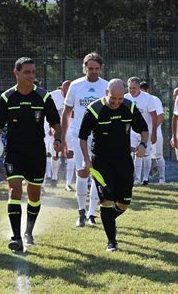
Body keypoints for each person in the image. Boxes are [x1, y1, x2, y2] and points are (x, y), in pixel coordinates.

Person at [0, 57, 61, 252]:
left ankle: (29, 231)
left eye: (33, 72)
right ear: (16, 73)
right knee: (14, 191)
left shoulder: (44, 97)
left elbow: (56, 124)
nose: (31, 76)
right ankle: (16, 237)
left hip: (37, 152)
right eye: (27, 72)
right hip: (14, 151)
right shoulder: (7, 98)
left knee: (34, 194)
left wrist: (58, 139)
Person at [79, 79, 148, 251]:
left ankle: (108, 220)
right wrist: (87, 160)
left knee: (124, 202)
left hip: (124, 161)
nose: (116, 103)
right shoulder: (94, 110)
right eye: (112, 99)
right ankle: (112, 241)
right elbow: (82, 137)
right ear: (106, 94)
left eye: (119, 99)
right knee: (107, 200)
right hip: (101, 162)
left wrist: (143, 145)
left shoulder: (129, 107)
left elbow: (144, 130)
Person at [61, 52, 108, 227]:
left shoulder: (107, 86)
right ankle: (81, 212)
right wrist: (63, 138)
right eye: (90, 68)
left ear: (100, 68)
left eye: (96, 68)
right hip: (79, 135)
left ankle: (92, 213)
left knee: (97, 174)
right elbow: (66, 114)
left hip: (101, 137)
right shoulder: (75, 85)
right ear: (84, 67)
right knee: (82, 172)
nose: (94, 71)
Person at [125, 77, 157, 186]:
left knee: (146, 154)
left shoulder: (148, 98)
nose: (132, 90)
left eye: (134, 88)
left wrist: (154, 133)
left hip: (146, 131)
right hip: (132, 131)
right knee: (134, 153)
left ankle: (145, 178)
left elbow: (154, 116)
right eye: (130, 88)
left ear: (139, 87)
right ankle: (136, 178)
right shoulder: (125, 97)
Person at [140, 81, 166, 183]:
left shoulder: (155, 100)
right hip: (143, 134)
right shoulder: (138, 99)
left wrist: (153, 130)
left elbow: (161, 116)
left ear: (148, 90)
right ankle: (145, 179)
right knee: (146, 155)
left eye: (143, 91)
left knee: (158, 155)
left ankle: (162, 178)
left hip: (156, 134)